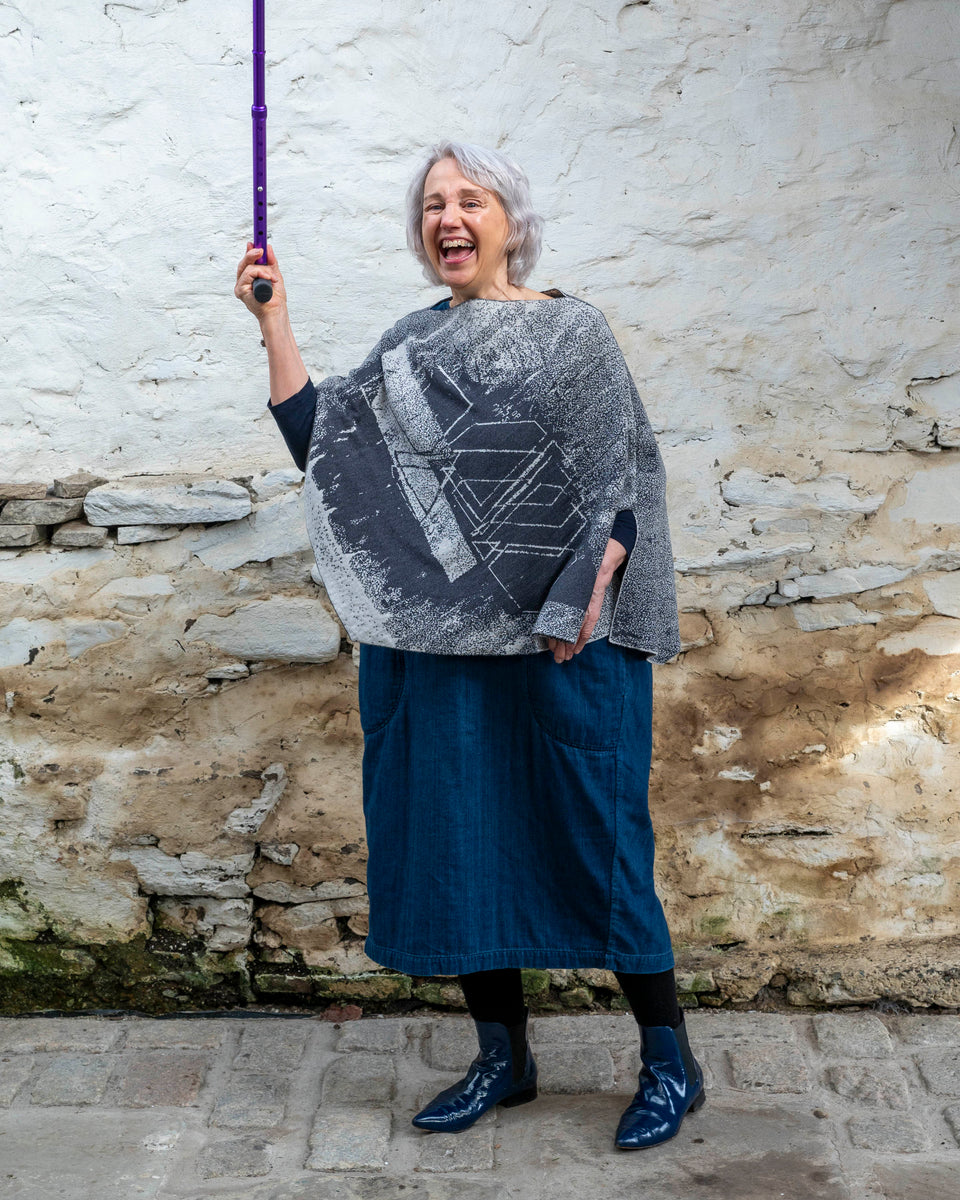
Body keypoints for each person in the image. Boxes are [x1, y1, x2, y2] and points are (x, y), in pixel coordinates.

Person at [235, 140, 704, 1150]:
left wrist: (590, 587)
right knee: (460, 843)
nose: (449, 217)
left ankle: (671, 1061)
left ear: (509, 221)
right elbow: (329, 456)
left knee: (600, 842)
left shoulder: (571, 333)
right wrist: (274, 323)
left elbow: (621, 485)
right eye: (433, 205)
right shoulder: (410, 345)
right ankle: (504, 1055)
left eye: (471, 200)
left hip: (560, 647)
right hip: (439, 653)